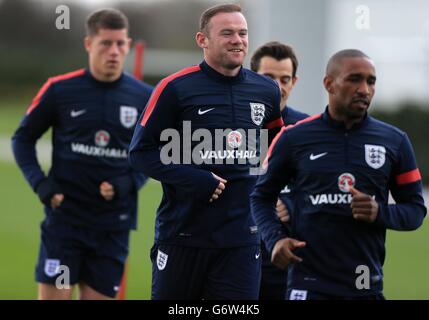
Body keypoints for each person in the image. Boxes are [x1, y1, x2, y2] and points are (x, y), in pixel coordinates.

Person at [129, 4, 284, 299]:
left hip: (241, 242)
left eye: (242, 33)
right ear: (202, 40)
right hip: (183, 237)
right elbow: (140, 152)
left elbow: (276, 151)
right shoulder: (174, 88)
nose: (237, 40)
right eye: (227, 33)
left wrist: (275, 195)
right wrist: (193, 178)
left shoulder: (266, 91)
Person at [250, 49, 426, 300]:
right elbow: (261, 197)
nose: (364, 89)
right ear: (329, 84)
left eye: (371, 81)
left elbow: (416, 210)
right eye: (354, 79)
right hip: (308, 285)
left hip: (366, 286)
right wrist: (275, 238)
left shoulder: (394, 141)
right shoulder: (294, 138)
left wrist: (380, 212)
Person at [11, 9, 153, 300]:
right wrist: (41, 184)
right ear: (89, 44)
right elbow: (22, 139)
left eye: (120, 44)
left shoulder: (144, 97)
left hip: (112, 228)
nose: (114, 51)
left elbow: (155, 152)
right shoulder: (59, 90)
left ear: (127, 45)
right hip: (65, 223)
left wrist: (128, 183)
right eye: (105, 43)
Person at [250, 41, 309, 300]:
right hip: (233, 254)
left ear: (294, 82)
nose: (278, 86)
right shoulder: (229, 127)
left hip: (284, 259)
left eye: (285, 79)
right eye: (269, 77)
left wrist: (289, 204)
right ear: (251, 78)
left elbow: (322, 193)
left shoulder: (307, 131)